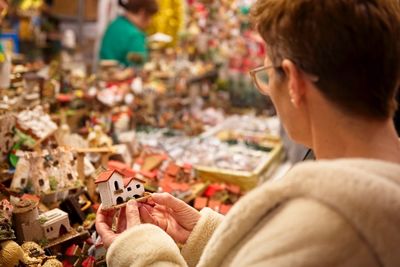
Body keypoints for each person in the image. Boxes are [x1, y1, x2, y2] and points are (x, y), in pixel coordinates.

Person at [96, 0, 400, 266]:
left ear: (293, 81)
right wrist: (206, 237)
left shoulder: (328, 228)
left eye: (265, 75)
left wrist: (141, 251)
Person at [99, 0, 158, 67]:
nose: (150, 22)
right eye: (150, 17)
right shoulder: (134, 35)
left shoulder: (115, 24)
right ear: (142, 13)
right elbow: (138, 67)